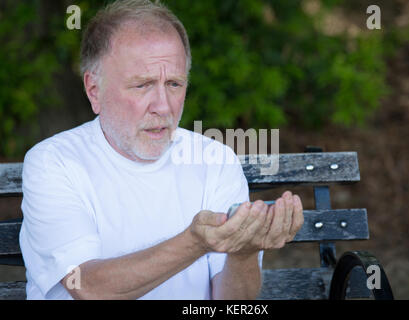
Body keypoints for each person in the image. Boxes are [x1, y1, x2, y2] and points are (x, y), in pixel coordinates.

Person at [19, 0, 304, 300]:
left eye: (174, 83)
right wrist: (195, 242)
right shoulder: (54, 163)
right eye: (142, 85)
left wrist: (243, 253)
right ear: (94, 90)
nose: (163, 106)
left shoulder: (215, 160)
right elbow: (87, 287)